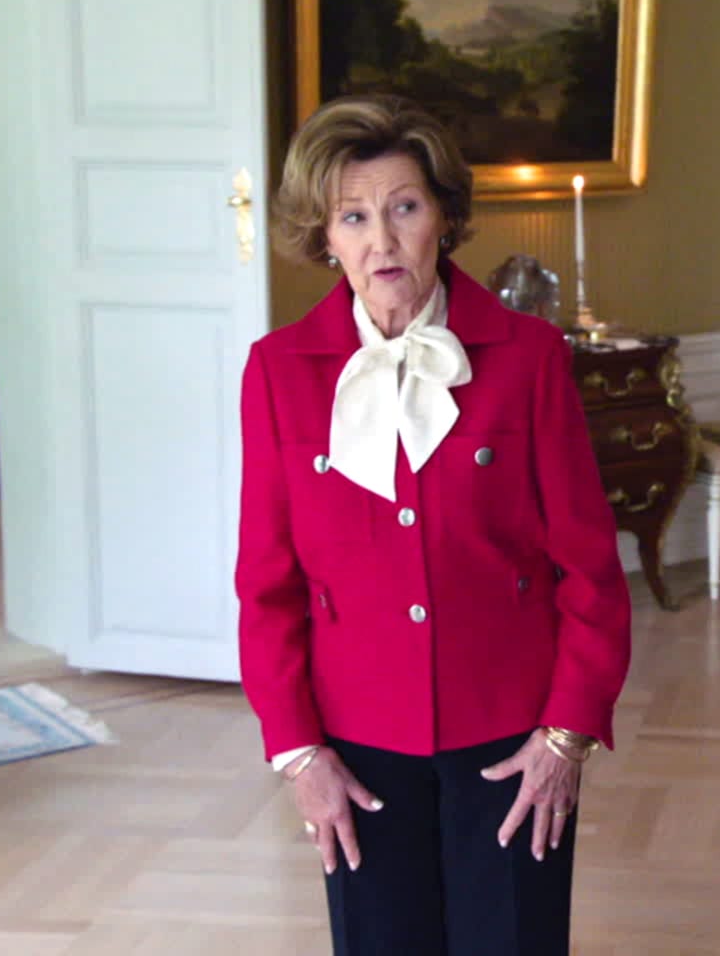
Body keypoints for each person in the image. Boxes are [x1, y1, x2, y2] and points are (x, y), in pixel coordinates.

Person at [236, 94, 632, 956]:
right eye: (353, 216)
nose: (382, 240)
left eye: (405, 208)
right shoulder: (277, 373)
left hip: (513, 740)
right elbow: (267, 586)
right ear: (325, 235)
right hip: (355, 751)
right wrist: (299, 754)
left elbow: (590, 569)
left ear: (444, 218)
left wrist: (566, 736)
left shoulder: (529, 358)